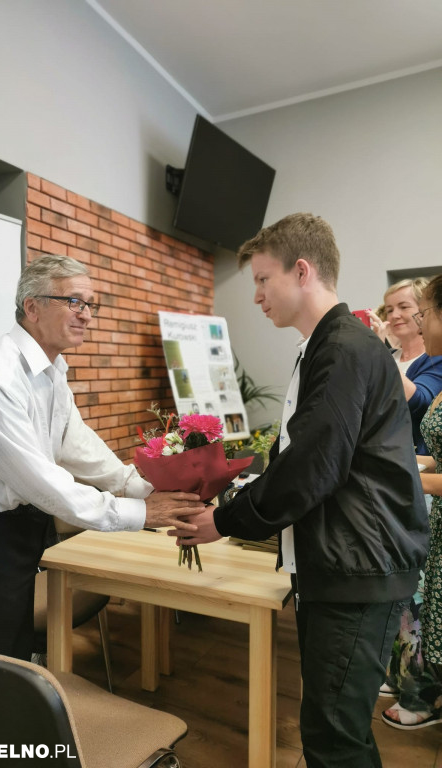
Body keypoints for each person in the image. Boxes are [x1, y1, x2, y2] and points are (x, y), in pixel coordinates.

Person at [169, 213, 430, 768]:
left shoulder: (343, 347)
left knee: (334, 738)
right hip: (345, 561)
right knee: (332, 728)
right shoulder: (327, 345)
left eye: (264, 280)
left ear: (302, 270)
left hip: (358, 567)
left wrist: (227, 520)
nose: (257, 296)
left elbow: (314, 464)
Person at [0, 255, 205, 661]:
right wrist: (141, 513)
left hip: (24, 530)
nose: (87, 315)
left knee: (20, 657)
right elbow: (42, 483)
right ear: (32, 307)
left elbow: (74, 442)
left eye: (91, 304)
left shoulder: (52, 368)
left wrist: (137, 486)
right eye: (74, 301)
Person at [382, 275, 442, 729]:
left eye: (418, 310)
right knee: (408, 597)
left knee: (420, 602)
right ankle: (403, 675)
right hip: (416, 491)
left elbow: (416, 403)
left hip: (424, 495)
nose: (407, 318)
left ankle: (420, 691)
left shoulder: (431, 365)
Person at [368, 278, 442, 455]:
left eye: (404, 307)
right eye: (389, 310)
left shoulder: (435, 358)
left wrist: (379, 354)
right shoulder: (389, 356)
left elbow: (420, 403)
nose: (394, 315)